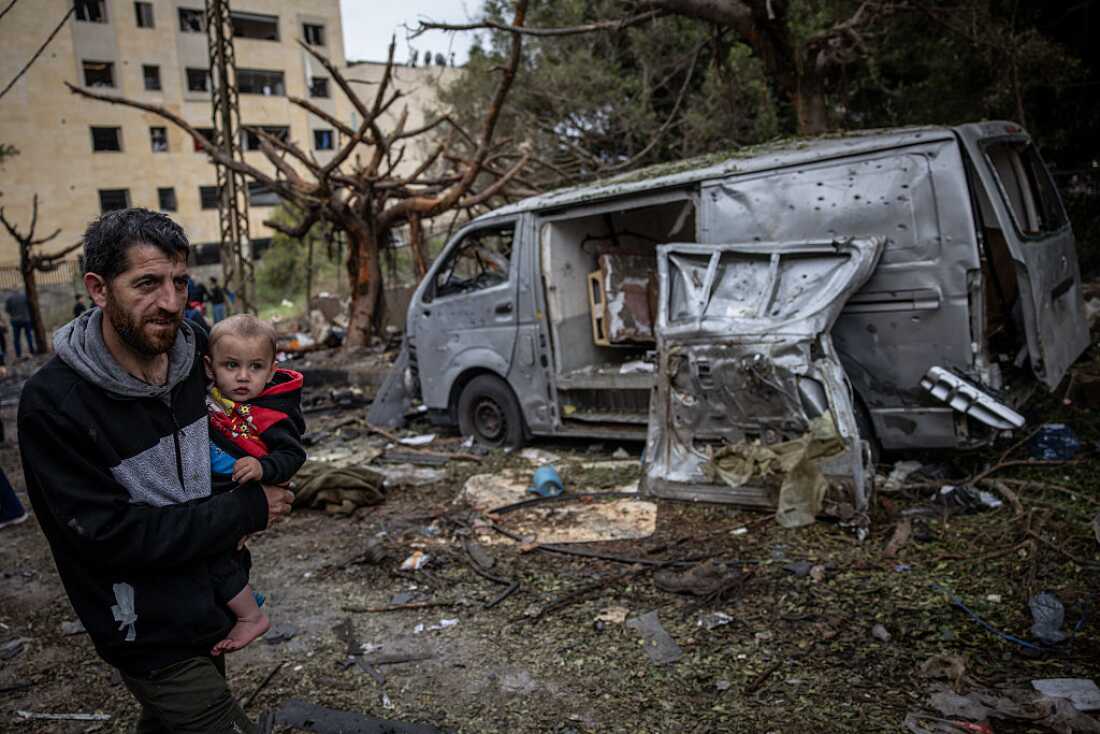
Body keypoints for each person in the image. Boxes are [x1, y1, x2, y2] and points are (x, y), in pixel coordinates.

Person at [17, 207, 294, 732]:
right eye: (147, 283)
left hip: (210, 601)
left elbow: (254, 422)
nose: (171, 302)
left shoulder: (199, 358)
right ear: (98, 289)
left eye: (179, 281)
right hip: (143, 625)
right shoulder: (54, 404)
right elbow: (110, 537)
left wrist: (274, 462)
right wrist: (246, 508)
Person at [204, 314, 305, 655]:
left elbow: (292, 456)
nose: (243, 377)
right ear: (210, 366)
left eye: (256, 367)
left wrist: (263, 467)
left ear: (272, 369)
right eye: (231, 365)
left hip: (241, 491)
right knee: (223, 555)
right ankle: (239, 600)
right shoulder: (211, 399)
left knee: (215, 557)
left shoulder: (273, 413)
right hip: (214, 492)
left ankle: (250, 615)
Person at [5, 290, 35, 357]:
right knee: (29, 336)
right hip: (26, 319)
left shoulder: (9, 299)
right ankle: (32, 351)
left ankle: (18, 354)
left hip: (15, 320)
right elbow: (30, 306)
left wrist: (13, 314)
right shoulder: (25, 296)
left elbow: (7, 310)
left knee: (16, 338)